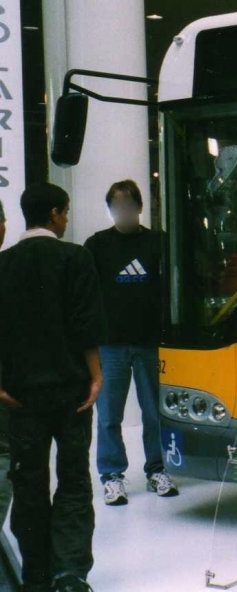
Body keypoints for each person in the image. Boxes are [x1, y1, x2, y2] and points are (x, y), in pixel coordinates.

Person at [0, 183, 104, 592]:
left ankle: (36, 575)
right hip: (71, 391)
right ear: (56, 214)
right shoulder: (76, 258)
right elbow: (85, 325)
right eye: (65, 212)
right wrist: (96, 375)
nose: (66, 219)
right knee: (74, 478)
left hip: (20, 395)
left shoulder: (3, 264)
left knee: (28, 483)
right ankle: (70, 573)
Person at [84, 180, 179, 506]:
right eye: (116, 207)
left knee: (154, 412)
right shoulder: (97, 245)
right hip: (110, 343)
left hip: (149, 342)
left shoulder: (158, 242)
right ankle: (112, 475)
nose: (122, 212)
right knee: (109, 415)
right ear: (110, 209)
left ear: (139, 207)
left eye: (127, 205)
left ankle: (157, 469)